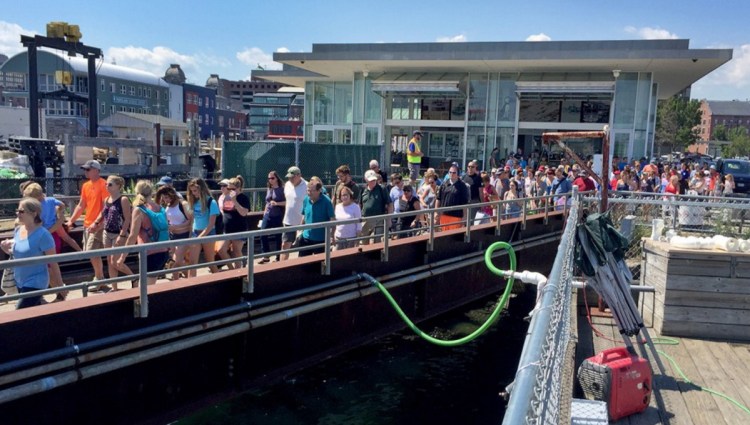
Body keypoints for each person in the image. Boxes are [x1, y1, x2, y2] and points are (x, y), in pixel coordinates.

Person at [1, 198, 62, 309]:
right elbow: (19, 253)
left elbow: (53, 263)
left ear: (34, 213)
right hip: (20, 281)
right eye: (17, 210)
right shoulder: (18, 230)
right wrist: (6, 249)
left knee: (19, 314)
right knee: (33, 317)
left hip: (36, 282)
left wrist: (60, 287)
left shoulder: (43, 235)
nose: (17, 214)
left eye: (21, 211)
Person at [65, 159, 108, 289]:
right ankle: (100, 278)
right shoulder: (86, 185)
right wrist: (71, 221)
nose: (86, 172)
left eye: (88, 169)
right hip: (87, 224)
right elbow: (81, 205)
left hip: (97, 225)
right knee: (92, 253)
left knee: (92, 252)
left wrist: (100, 223)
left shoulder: (104, 185)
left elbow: (106, 207)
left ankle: (99, 278)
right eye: (85, 169)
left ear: (97, 170)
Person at [123, 181, 170, 286]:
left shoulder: (139, 210)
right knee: (150, 285)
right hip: (163, 251)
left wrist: (122, 256)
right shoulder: (160, 208)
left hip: (149, 253)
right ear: (151, 192)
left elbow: (132, 236)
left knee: (144, 290)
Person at [92, 175, 133, 290]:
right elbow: (103, 213)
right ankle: (114, 287)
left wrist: (122, 234)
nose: (107, 186)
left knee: (115, 261)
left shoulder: (123, 199)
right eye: (106, 184)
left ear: (118, 186)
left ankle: (134, 277)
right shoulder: (107, 199)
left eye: (110, 184)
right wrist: (96, 223)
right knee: (110, 261)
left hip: (118, 233)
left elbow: (127, 219)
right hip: (107, 232)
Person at [21, 182, 81, 254]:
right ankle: (80, 250)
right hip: (54, 223)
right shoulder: (51, 200)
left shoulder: (37, 206)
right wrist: (59, 211)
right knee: (67, 238)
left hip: (43, 226)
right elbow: (62, 204)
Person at [156, 185, 193, 280]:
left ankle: (187, 279)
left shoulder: (183, 204)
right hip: (172, 235)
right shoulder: (167, 206)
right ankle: (179, 280)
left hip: (184, 235)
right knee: (176, 261)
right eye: (163, 198)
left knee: (177, 261)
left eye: (167, 197)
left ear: (172, 195)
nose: (166, 200)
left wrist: (177, 227)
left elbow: (191, 220)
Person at [186, 178, 220, 275]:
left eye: (195, 191)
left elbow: (211, 224)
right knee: (192, 263)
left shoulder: (211, 202)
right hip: (195, 232)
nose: (193, 193)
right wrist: (191, 235)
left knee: (210, 262)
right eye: (192, 191)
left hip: (208, 233)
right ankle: (190, 285)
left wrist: (200, 237)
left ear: (201, 189)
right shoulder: (194, 202)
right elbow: (193, 220)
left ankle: (220, 281)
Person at [216, 175, 251, 269]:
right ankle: (232, 269)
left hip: (239, 228)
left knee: (236, 251)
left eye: (232, 188)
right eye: (229, 188)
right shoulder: (225, 197)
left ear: (238, 188)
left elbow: (244, 213)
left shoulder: (243, 198)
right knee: (221, 250)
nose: (230, 190)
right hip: (227, 229)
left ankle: (238, 271)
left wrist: (234, 201)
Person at [298, 181, 335, 256]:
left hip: (321, 239)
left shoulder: (327, 201)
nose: (309, 193)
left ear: (319, 190)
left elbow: (332, 219)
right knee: (302, 263)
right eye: (308, 190)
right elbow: (304, 216)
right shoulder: (306, 200)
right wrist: (299, 231)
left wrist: (332, 236)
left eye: (312, 191)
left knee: (318, 264)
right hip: (306, 238)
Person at [358, 169, 393, 244]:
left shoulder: (382, 189)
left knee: (377, 241)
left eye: (374, 180)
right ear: (366, 180)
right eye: (371, 180)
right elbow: (360, 205)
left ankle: (377, 254)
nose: (373, 182)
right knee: (364, 241)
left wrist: (389, 219)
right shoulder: (363, 189)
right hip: (365, 219)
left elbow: (390, 204)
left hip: (379, 220)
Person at [281, 166, 308, 261]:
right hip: (288, 220)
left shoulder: (306, 186)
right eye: (289, 177)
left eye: (292, 177)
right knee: (285, 245)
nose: (290, 179)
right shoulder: (287, 184)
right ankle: (281, 267)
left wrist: (304, 218)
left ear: (299, 175)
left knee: (302, 246)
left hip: (303, 221)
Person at [259, 171, 285, 263]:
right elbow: (267, 201)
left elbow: (287, 202)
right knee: (263, 233)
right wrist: (265, 211)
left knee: (278, 236)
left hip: (278, 215)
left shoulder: (282, 189)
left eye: (272, 178)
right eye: (269, 178)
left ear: (277, 178)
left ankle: (278, 257)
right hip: (268, 214)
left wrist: (277, 203)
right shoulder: (269, 188)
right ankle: (265, 255)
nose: (270, 180)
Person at [435, 164, 469, 231]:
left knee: (453, 237)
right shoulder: (444, 184)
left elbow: (465, 202)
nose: (452, 174)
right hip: (444, 215)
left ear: (458, 174)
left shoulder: (462, 186)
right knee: (444, 236)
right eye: (450, 172)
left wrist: (465, 217)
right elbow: (438, 199)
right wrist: (436, 212)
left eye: (454, 172)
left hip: (456, 216)